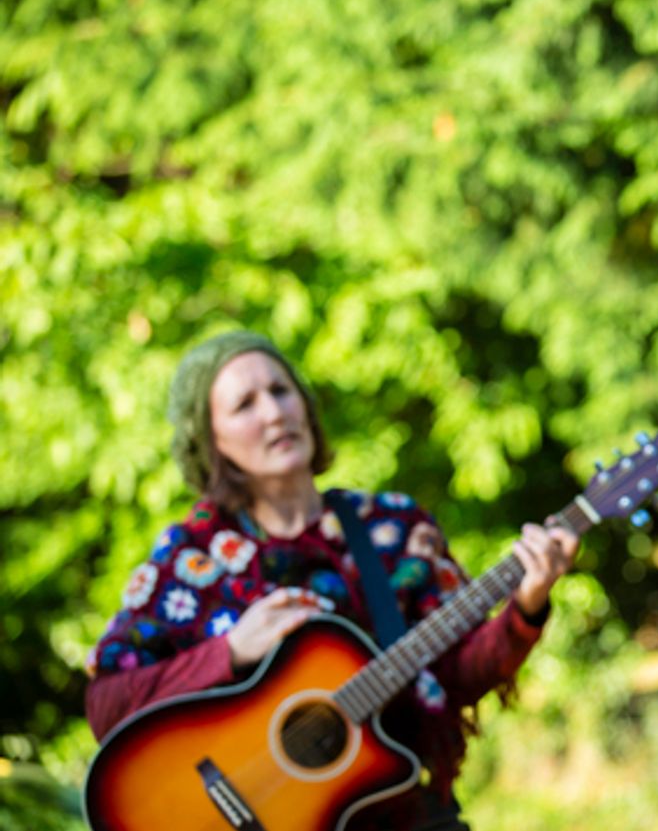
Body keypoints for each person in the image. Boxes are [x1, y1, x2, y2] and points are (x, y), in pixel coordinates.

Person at [85, 330, 578, 830]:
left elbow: (456, 674)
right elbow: (107, 704)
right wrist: (229, 650)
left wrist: (526, 606)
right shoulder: (193, 559)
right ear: (213, 440)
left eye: (281, 391)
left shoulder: (395, 529)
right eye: (245, 405)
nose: (274, 413)